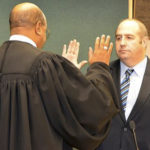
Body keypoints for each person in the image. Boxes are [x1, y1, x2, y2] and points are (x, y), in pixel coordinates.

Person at [0, 2, 119, 150]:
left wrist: (66, 74)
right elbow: (92, 107)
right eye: (45, 31)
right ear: (38, 27)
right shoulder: (45, 64)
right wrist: (99, 67)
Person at [97, 18, 150, 150]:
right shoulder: (103, 73)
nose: (122, 43)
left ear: (144, 42)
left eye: (129, 37)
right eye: (118, 38)